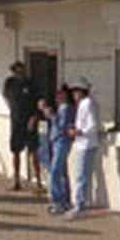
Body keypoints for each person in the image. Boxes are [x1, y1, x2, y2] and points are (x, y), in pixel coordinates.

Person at [2, 61, 43, 192]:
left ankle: (38, 182)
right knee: (16, 151)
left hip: (30, 122)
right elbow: (7, 97)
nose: (18, 73)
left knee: (34, 151)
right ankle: (17, 180)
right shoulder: (9, 83)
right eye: (15, 71)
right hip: (16, 122)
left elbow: (39, 102)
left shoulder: (31, 84)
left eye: (21, 70)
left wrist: (34, 117)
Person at [66, 76, 103, 220]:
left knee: (80, 176)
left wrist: (79, 132)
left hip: (86, 144)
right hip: (83, 144)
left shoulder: (87, 103)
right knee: (82, 175)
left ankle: (79, 206)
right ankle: (81, 203)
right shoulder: (85, 104)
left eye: (76, 91)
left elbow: (92, 125)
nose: (74, 94)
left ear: (82, 91)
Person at [41, 86, 76, 215]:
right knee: (62, 172)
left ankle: (58, 201)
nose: (57, 97)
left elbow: (62, 126)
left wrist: (51, 115)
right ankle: (65, 200)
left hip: (62, 141)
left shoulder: (66, 108)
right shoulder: (62, 108)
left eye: (60, 94)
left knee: (55, 171)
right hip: (57, 141)